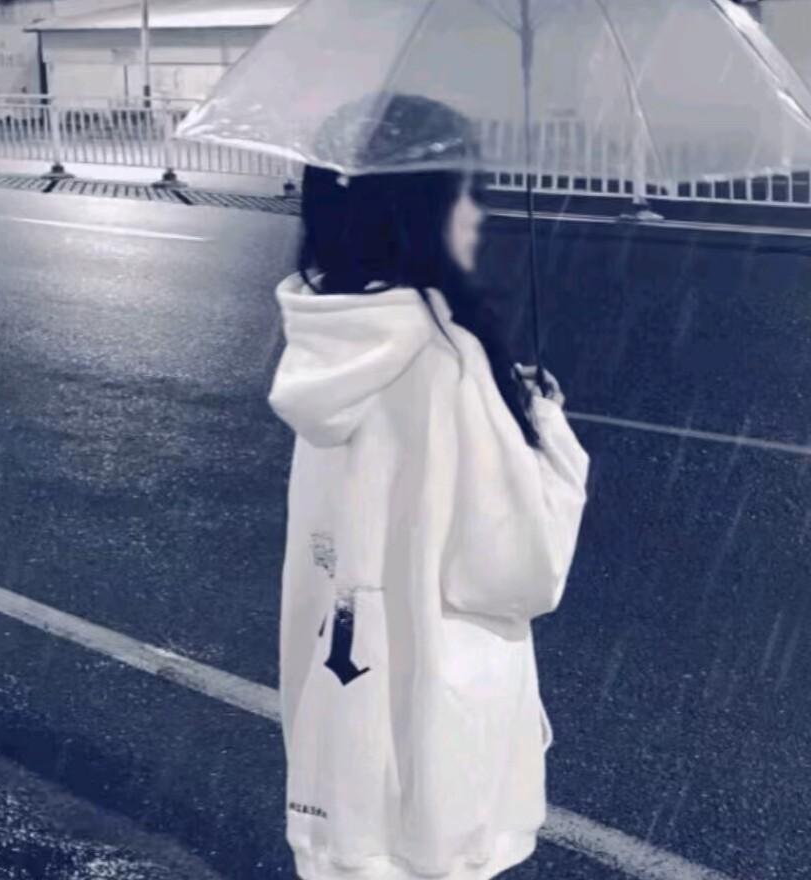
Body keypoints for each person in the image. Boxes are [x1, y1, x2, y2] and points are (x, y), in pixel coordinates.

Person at [267, 92, 590, 880]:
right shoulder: (446, 360)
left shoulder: (328, 337)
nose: (479, 214)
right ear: (418, 210)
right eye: (464, 192)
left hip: (345, 694)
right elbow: (519, 568)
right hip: (436, 713)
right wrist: (545, 431)